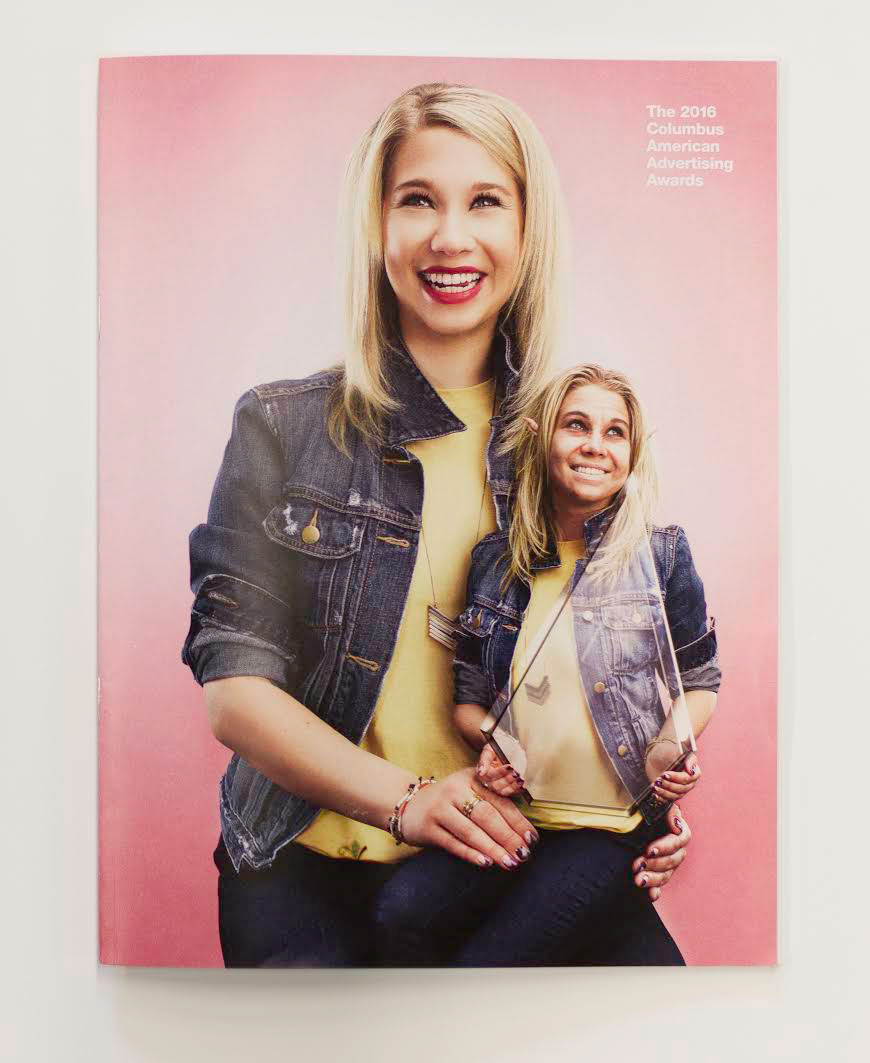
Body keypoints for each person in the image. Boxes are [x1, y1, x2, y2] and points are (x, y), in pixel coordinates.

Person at [182, 83, 694, 968]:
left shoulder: (571, 437)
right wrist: (406, 799)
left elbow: (619, 667)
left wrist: (631, 804)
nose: (451, 237)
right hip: (310, 862)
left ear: (528, 231)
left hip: (508, 855)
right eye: (418, 199)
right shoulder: (282, 425)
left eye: (485, 201)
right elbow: (235, 688)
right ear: (376, 225)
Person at [372, 364, 720, 965]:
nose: (594, 445)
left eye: (616, 433)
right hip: (521, 814)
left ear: (633, 453)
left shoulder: (662, 554)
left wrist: (671, 744)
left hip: (611, 828)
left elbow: (701, 680)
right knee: (396, 913)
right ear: (544, 439)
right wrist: (493, 745)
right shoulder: (494, 561)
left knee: (491, 963)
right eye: (576, 425)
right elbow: (469, 701)